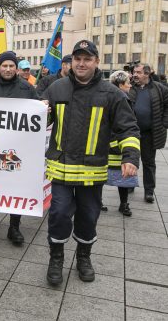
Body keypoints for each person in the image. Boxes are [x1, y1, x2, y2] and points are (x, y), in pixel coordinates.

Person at [45, 40, 139, 285]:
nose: (81, 63)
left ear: (97, 62)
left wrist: (131, 158)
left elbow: (128, 128)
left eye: (87, 59)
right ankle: (56, 259)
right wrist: (39, 112)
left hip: (92, 172)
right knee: (59, 214)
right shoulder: (56, 89)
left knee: (88, 216)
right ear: (71, 61)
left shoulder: (112, 94)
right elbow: (38, 124)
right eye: (77, 58)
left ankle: (83, 258)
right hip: (61, 169)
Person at [0, 50, 39, 244]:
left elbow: (36, 113)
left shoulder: (27, 88)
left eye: (11, 66)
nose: (7, 69)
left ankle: (14, 225)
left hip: (17, 147)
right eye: (4, 66)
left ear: (16, 68)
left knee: (16, 185)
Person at [129, 63, 168, 203]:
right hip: (131, 132)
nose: (135, 75)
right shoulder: (130, 88)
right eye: (134, 72)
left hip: (150, 133)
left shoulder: (160, 88)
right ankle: (129, 185)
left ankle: (149, 191)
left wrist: (164, 122)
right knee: (130, 160)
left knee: (149, 162)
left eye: (138, 72)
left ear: (147, 74)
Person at [104, 70, 139, 216]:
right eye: (128, 83)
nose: (130, 86)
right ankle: (98, 202)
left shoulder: (125, 97)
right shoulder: (113, 98)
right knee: (100, 175)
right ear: (120, 84)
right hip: (112, 145)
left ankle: (123, 203)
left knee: (124, 176)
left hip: (121, 146)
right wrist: (113, 142)